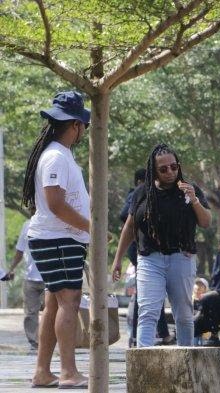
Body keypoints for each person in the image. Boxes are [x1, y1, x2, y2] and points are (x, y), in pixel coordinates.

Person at [22, 91, 91, 388]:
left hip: (58, 238)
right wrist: (92, 227)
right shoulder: (55, 157)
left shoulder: (58, 154)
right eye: (83, 125)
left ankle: (42, 371)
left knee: (53, 304)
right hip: (58, 238)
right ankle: (68, 372)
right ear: (75, 125)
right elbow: (55, 204)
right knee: (69, 301)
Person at [111, 143, 212, 347]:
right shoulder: (142, 193)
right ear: (153, 170)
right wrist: (117, 260)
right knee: (148, 312)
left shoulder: (189, 190)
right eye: (163, 169)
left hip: (181, 258)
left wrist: (194, 200)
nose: (170, 172)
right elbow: (130, 228)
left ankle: (186, 360)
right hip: (150, 259)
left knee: (183, 314)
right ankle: (143, 365)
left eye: (174, 167)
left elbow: (206, 222)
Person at [119, 168, 174, 347]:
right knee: (144, 297)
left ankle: (162, 334)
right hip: (140, 250)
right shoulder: (138, 193)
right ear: (141, 181)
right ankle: (137, 337)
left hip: (150, 250)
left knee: (151, 297)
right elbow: (124, 216)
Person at [6, 211, 45, 351]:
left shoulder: (52, 223)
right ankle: (35, 343)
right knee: (30, 313)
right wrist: (11, 269)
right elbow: (19, 250)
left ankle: (49, 340)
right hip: (30, 278)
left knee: (51, 311)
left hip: (50, 277)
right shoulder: (27, 225)